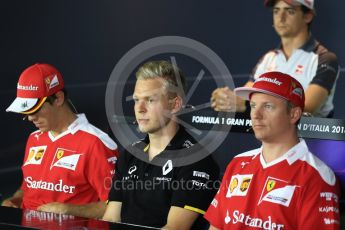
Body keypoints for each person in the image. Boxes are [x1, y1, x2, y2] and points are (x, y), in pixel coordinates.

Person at [205, 71, 340, 229]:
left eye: (268, 106)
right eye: (253, 105)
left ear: (294, 114)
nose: (256, 114)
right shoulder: (237, 163)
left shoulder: (317, 176)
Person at [102, 60, 220, 229]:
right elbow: (111, 218)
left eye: (150, 100)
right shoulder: (130, 154)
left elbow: (174, 228)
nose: (139, 109)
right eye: (136, 100)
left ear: (175, 105)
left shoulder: (196, 159)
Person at [2, 63, 119, 219]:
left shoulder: (96, 143)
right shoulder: (34, 138)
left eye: (34, 110)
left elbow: (116, 206)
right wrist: (15, 199)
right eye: (26, 112)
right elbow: (28, 186)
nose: (30, 118)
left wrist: (68, 210)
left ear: (58, 98)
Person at [211, 0, 339, 118]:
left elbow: (305, 108)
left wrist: (246, 105)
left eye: (290, 11)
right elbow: (243, 96)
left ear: (308, 16)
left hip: (312, 141)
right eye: (276, 11)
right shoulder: (268, 58)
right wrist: (225, 99)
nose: (281, 18)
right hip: (271, 141)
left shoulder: (325, 59)